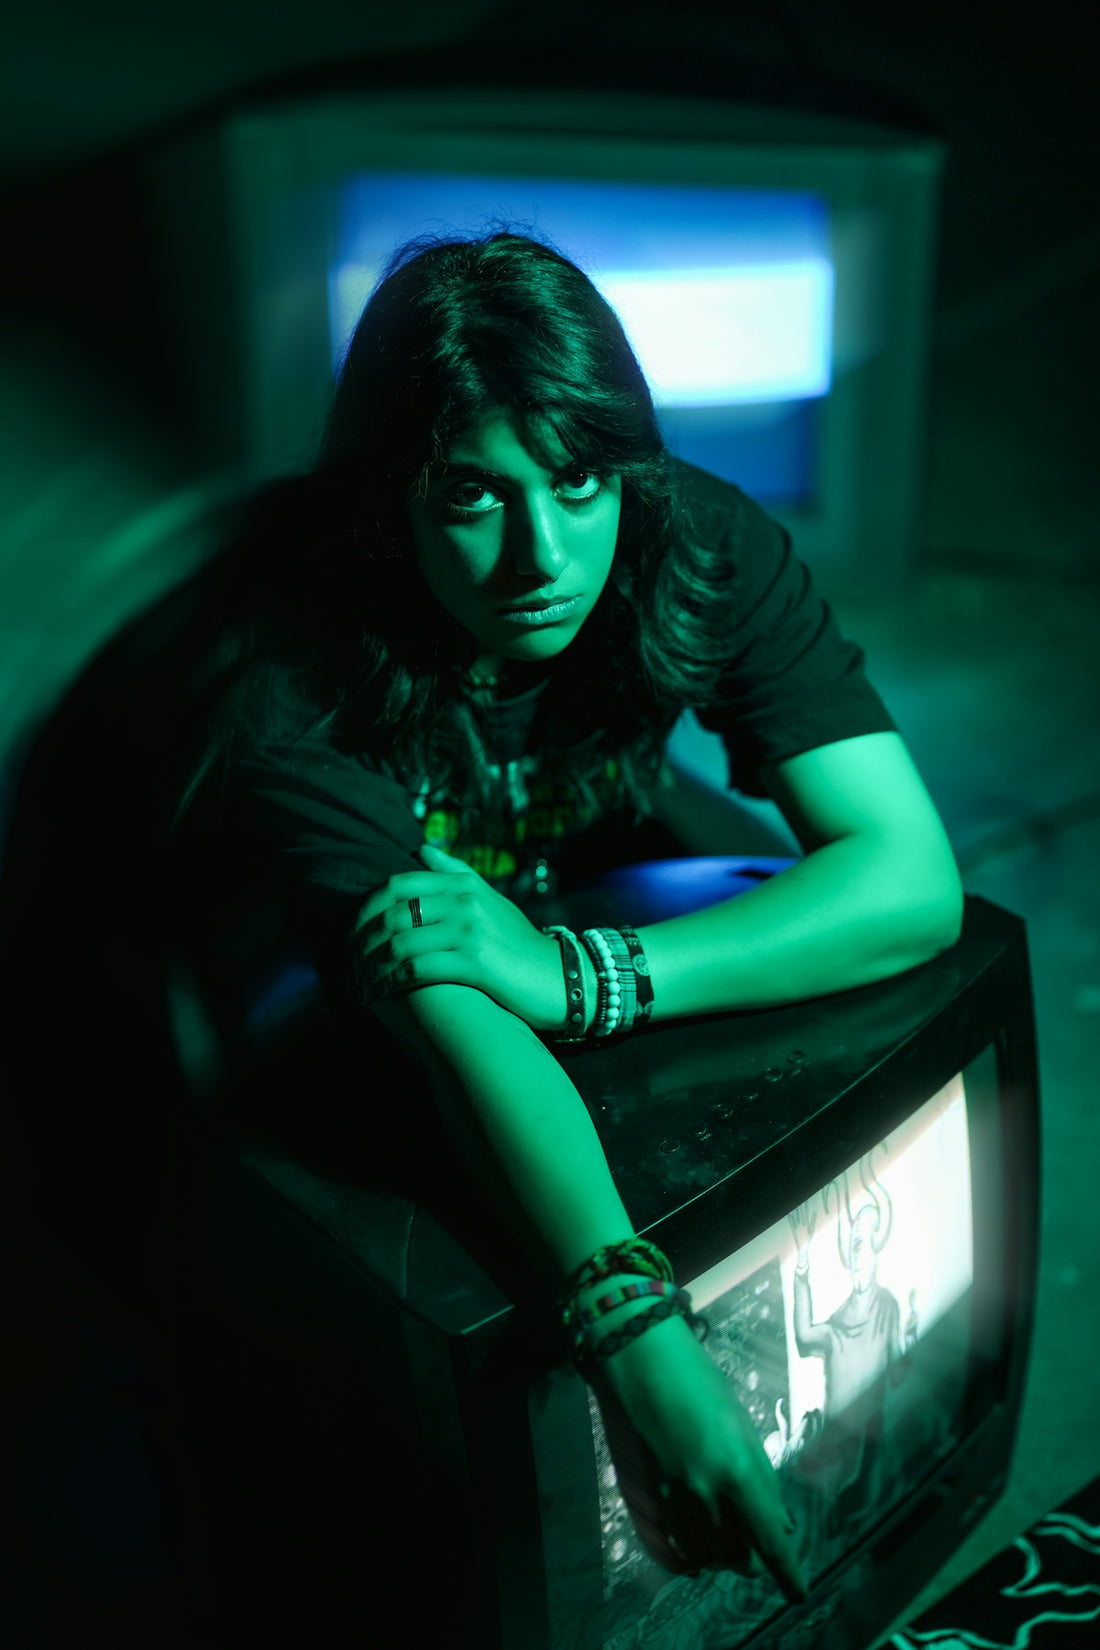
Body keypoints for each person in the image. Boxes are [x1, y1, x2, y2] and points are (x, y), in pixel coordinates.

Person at [164, 228, 964, 1609]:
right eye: (473, 494)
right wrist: (641, 1337)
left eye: (579, 478)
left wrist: (582, 970)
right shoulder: (285, 661)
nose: (543, 551)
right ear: (387, 501)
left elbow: (910, 878)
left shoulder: (689, 533)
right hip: (289, 970)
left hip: (560, 904)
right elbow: (448, 1009)